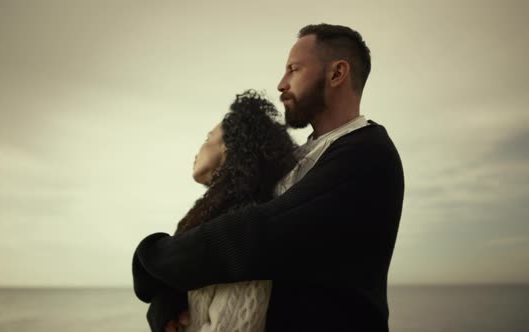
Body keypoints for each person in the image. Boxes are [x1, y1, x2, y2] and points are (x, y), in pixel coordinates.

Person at [133, 23, 405, 332]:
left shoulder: (367, 154)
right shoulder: (300, 159)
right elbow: (232, 222)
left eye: (294, 69)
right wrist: (167, 298)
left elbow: (259, 234)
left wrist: (151, 260)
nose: (281, 83)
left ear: (336, 73)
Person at [140, 90, 298, 332]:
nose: (198, 149)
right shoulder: (212, 217)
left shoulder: (244, 226)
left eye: (208, 137)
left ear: (229, 147)